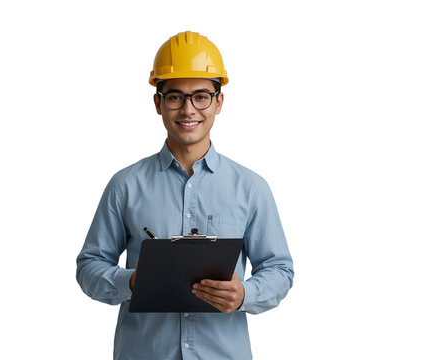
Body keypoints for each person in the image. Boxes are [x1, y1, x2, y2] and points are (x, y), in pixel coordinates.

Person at [76, 31, 294, 360]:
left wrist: (244, 294)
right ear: (158, 103)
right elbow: (89, 266)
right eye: (175, 97)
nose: (188, 109)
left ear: (218, 102)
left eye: (201, 96)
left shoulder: (251, 188)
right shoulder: (125, 185)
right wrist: (131, 282)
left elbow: (279, 268)